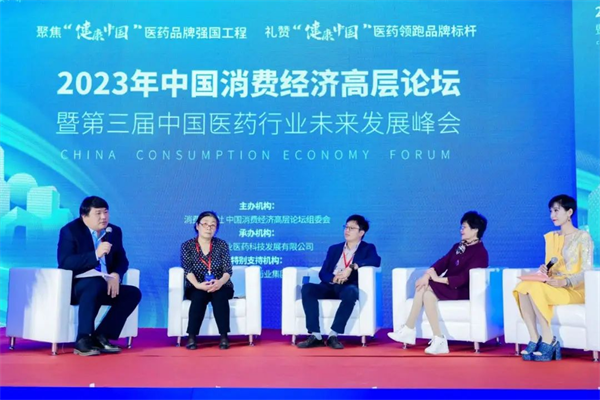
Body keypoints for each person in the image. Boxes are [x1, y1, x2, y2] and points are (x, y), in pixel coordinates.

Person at [388, 211, 489, 354]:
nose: (461, 230)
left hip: (462, 289)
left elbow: (464, 278)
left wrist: (436, 279)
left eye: (464, 227)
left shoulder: (480, 253)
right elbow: (443, 262)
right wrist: (427, 275)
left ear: (475, 230)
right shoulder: (458, 246)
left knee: (425, 287)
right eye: (461, 227)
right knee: (427, 294)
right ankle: (438, 339)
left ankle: (409, 329)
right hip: (448, 286)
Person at [57, 196, 142, 356]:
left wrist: (116, 275)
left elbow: (122, 260)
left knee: (132, 293)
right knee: (94, 283)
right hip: (78, 288)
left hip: (105, 285)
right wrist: (95, 255)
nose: (103, 217)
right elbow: (65, 262)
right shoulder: (70, 231)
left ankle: (101, 336)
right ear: (84, 216)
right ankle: (83, 338)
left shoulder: (114, 231)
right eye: (98, 213)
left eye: (106, 212)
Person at [513, 195, 594, 361]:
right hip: (554, 285)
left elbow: (587, 271)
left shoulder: (583, 237)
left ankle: (549, 339)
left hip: (574, 289)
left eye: (556, 210)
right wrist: (546, 270)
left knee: (534, 288)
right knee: (523, 286)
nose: (552, 215)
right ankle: (534, 337)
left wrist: (565, 281)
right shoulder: (552, 237)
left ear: (569, 212)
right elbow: (552, 269)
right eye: (551, 211)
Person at [296, 214, 381, 350]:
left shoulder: (368, 248)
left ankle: (333, 335)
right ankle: (316, 335)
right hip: (329, 285)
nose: (347, 230)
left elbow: (375, 261)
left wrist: (352, 267)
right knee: (307, 288)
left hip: (347, 286)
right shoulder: (334, 249)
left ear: (361, 233)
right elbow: (323, 272)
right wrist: (333, 278)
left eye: (351, 228)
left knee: (352, 291)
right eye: (346, 227)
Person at [180, 211, 234, 350]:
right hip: (196, 286)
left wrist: (220, 282)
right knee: (198, 296)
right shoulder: (187, 246)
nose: (209, 228)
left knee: (220, 295)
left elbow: (228, 270)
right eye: (205, 224)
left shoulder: (221, 245)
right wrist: (198, 285)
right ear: (197, 226)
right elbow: (187, 270)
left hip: (221, 285)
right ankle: (191, 337)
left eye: (213, 225)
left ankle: (224, 336)